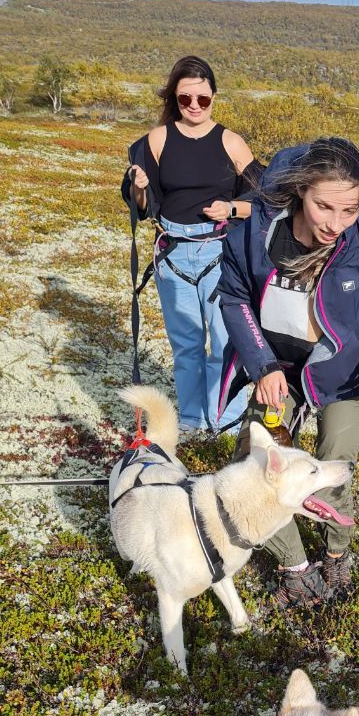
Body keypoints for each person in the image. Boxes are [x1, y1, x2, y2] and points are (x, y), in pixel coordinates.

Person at [216, 136, 359, 605]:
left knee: (332, 466)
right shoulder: (255, 230)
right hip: (277, 371)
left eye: (350, 210)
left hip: (344, 377)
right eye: (325, 207)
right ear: (302, 191)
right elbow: (233, 296)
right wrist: (262, 365)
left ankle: (336, 555)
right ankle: (293, 566)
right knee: (257, 464)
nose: (336, 224)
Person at [122, 56, 262, 434]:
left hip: (220, 255)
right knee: (186, 345)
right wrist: (138, 189)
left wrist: (231, 206)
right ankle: (190, 421)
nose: (195, 107)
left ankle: (227, 422)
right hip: (173, 255)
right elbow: (145, 206)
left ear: (214, 96)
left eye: (203, 99)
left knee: (224, 342)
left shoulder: (232, 143)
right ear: (175, 98)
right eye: (186, 100)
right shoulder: (157, 139)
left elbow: (265, 201)